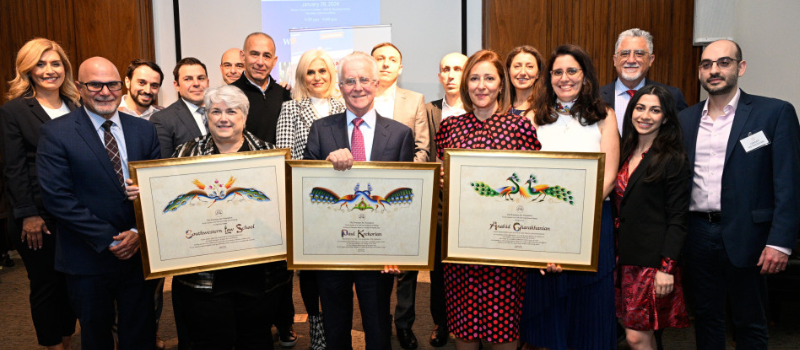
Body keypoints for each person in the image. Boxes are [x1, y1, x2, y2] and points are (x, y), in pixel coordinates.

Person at [143, 84, 289, 349]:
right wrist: (144, 194)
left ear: (244, 116)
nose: (223, 118)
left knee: (255, 340)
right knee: (208, 341)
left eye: (232, 111)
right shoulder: (185, 154)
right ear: (206, 117)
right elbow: (171, 210)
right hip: (204, 279)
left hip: (257, 277)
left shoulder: (270, 155)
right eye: (215, 111)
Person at [679, 39, 800, 350]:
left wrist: (780, 242)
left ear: (740, 67)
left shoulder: (774, 113)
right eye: (706, 65)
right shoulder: (686, 120)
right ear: (699, 72)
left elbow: (788, 182)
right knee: (706, 318)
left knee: (750, 322)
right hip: (697, 233)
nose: (714, 70)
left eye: (723, 62)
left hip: (750, 236)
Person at [36, 56, 161, 350]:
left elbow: (157, 189)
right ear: (79, 86)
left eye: (113, 84)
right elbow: (57, 198)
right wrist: (110, 240)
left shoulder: (144, 130)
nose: (105, 92)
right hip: (87, 256)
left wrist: (137, 232)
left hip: (138, 253)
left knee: (140, 332)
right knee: (95, 335)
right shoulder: (56, 133)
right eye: (95, 84)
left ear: (123, 87)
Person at [303, 51, 411, 350]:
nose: (358, 87)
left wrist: (399, 251)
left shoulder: (401, 134)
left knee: (377, 328)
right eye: (350, 81)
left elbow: (405, 202)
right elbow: (308, 192)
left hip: (378, 253)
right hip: (332, 250)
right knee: (336, 328)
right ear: (340, 87)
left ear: (377, 84)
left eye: (364, 79)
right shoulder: (321, 130)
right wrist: (325, 165)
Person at [435, 49, 541, 350]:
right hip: (462, 245)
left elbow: (529, 185)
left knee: (503, 331)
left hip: (504, 246)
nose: (481, 85)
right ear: (466, 84)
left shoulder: (520, 128)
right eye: (474, 78)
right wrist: (442, 180)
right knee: (465, 331)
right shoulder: (450, 128)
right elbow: (443, 176)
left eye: (489, 78)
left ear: (501, 84)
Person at [521, 44, 620, 350]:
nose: (565, 78)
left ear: (585, 75)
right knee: (548, 300)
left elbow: (609, 177)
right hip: (542, 222)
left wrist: (575, 217)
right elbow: (522, 173)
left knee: (589, 305)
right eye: (557, 72)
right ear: (548, 78)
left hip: (591, 222)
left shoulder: (604, 116)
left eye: (572, 71)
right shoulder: (532, 116)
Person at [0, 37, 78, 350]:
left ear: (65, 68)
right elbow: (14, 168)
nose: (49, 70)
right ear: (28, 71)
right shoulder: (14, 111)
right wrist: (28, 214)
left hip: (75, 214)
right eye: (41, 64)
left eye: (55, 63)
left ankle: (67, 340)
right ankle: (52, 345)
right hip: (38, 217)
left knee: (73, 284)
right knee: (47, 286)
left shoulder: (77, 106)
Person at [274, 48, 345, 349]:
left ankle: (336, 323)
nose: (317, 77)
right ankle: (316, 325)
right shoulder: (291, 109)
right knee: (311, 269)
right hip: (308, 202)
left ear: (332, 75)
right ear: (302, 76)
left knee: (340, 268)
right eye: (310, 72)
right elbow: (286, 157)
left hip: (345, 202)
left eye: (323, 71)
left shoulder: (347, 105)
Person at [615, 85, 691, 350]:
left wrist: (666, 269)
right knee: (631, 333)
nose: (645, 115)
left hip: (650, 263)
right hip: (621, 259)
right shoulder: (625, 151)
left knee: (637, 337)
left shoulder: (673, 158)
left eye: (655, 110)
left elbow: (678, 219)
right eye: (640, 107)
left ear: (666, 117)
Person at [371, 41, 429, 350]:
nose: (385, 63)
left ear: (400, 68)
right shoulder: (352, 97)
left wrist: (407, 185)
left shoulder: (414, 100)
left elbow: (422, 147)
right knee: (372, 263)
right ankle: (377, 322)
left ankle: (404, 324)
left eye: (391, 59)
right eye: (379, 58)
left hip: (402, 196)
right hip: (365, 197)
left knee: (406, 267)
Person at [423, 51, 467, 348]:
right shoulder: (428, 110)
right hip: (438, 202)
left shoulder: (483, 109)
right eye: (445, 69)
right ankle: (442, 322)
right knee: (439, 269)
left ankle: (471, 320)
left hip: (471, 203)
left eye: (458, 69)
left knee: (469, 265)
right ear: (439, 77)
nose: (451, 75)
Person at [599, 28, 688, 133]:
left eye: (639, 54)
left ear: (651, 60)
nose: (631, 60)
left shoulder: (673, 96)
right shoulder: (595, 96)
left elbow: (681, 138)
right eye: (625, 54)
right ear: (615, 60)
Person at [231, 32, 291, 145]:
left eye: (267, 56)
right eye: (254, 54)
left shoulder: (284, 94)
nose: (260, 62)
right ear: (243, 56)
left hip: (278, 162)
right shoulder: (229, 95)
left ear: (274, 61)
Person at [150, 57, 210, 158]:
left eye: (201, 78)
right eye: (188, 79)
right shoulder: (163, 119)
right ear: (176, 85)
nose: (196, 83)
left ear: (207, 82)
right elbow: (165, 165)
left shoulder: (223, 112)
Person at [505, 45, 545, 117]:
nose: (523, 72)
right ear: (509, 71)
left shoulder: (545, 107)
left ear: (538, 73)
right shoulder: (500, 106)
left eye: (529, 66)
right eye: (517, 66)